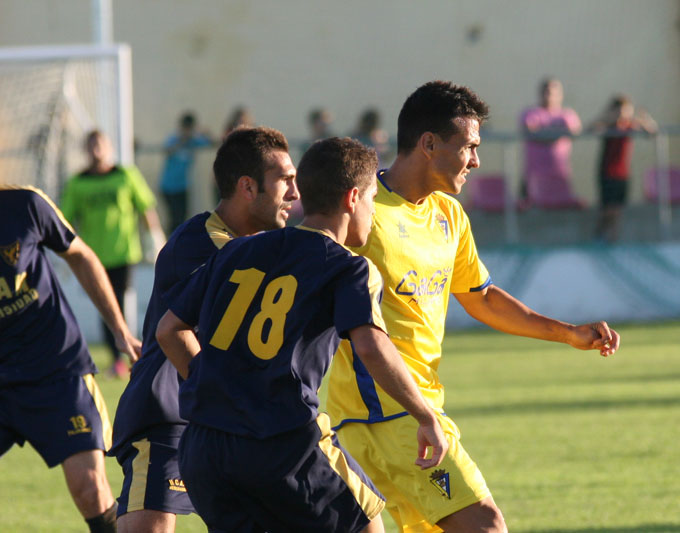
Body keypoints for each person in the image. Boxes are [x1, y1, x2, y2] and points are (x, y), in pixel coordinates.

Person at [326, 81, 620, 532]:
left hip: (414, 413)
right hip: (387, 413)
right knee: (486, 525)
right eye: (469, 146)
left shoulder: (448, 214)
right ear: (428, 144)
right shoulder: (364, 212)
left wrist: (567, 333)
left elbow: (480, 297)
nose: (477, 160)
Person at [156, 137, 448, 532]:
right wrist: (425, 415)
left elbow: (169, 329)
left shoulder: (237, 251)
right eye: (372, 200)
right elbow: (371, 346)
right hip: (283, 442)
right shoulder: (348, 267)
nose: (373, 214)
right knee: (367, 524)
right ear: (352, 198)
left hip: (205, 450)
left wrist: (219, 389)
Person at [109, 126, 299, 533]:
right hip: (169, 416)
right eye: (285, 180)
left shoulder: (254, 247)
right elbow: (175, 333)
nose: (295, 194)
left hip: (229, 423)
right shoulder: (202, 245)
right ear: (248, 187)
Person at [0, 184, 141, 533]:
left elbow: (81, 255)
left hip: (55, 369)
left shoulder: (25, 204)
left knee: (90, 488)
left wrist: (119, 330)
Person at [60, 130, 165, 378]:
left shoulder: (125, 175)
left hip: (124, 252)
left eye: (100, 143)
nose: (96, 148)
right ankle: (118, 359)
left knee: (119, 301)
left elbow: (145, 207)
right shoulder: (78, 183)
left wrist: (154, 237)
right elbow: (65, 220)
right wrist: (63, 254)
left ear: (108, 147)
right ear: (86, 149)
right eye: (91, 144)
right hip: (93, 257)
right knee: (103, 306)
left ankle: (132, 353)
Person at [591, 94, 658, 242]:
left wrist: (645, 119)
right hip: (607, 172)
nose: (623, 114)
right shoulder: (608, 125)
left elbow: (652, 132)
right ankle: (600, 235)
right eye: (619, 110)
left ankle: (613, 239)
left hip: (622, 173)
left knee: (618, 210)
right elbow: (593, 128)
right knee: (608, 209)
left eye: (626, 111)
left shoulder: (629, 126)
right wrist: (606, 118)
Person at [519, 78, 582, 203]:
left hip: (559, 176)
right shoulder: (530, 113)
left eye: (554, 92)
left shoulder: (567, 115)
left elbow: (574, 132)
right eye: (547, 92)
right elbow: (531, 132)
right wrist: (558, 133)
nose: (550, 96)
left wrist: (544, 134)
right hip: (533, 177)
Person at [159, 111, 213, 233]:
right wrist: (183, 140)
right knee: (174, 218)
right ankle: (170, 242)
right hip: (168, 186)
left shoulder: (194, 140)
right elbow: (168, 151)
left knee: (182, 217)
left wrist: (204, 133)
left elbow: (211, 142)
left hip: (182, 186)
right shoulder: (173, 139)